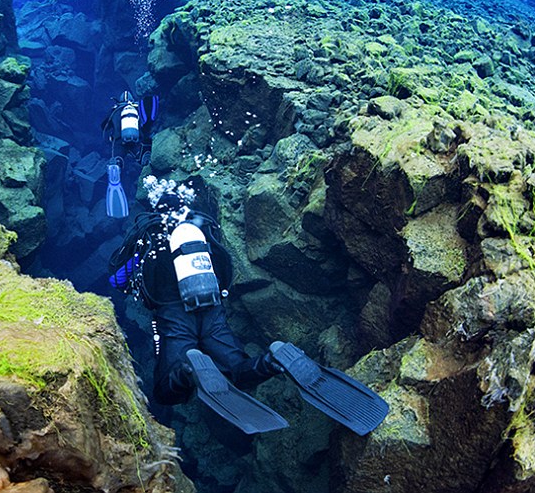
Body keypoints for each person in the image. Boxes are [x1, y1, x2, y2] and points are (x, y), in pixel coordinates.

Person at [108, 179, 389, 435]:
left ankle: (187, 370)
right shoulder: (202, 228)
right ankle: (277, 358)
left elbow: (117, 279)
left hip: (172, 314)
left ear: (157, 208)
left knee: (165, 392)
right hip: (213, 306)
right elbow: (226, 266)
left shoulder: (149, 234)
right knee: (239, 372)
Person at [101, 91, 158, 219]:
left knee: (118, 157)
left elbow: (103, 127)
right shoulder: (138, 107)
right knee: (141, 154)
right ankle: (144, 157)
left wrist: (109, 137)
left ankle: (117, 165)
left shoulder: (115, 110)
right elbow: (147, 126)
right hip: (136, 140)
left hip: (119, 141)